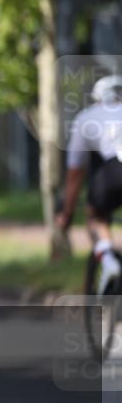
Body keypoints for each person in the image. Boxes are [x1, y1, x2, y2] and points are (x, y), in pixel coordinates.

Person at [57, 74, 122, 295]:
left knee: (96, 216)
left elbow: (75, 174)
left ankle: (108, 260)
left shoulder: (87, 117)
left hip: (115, 169)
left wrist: (67, 213)